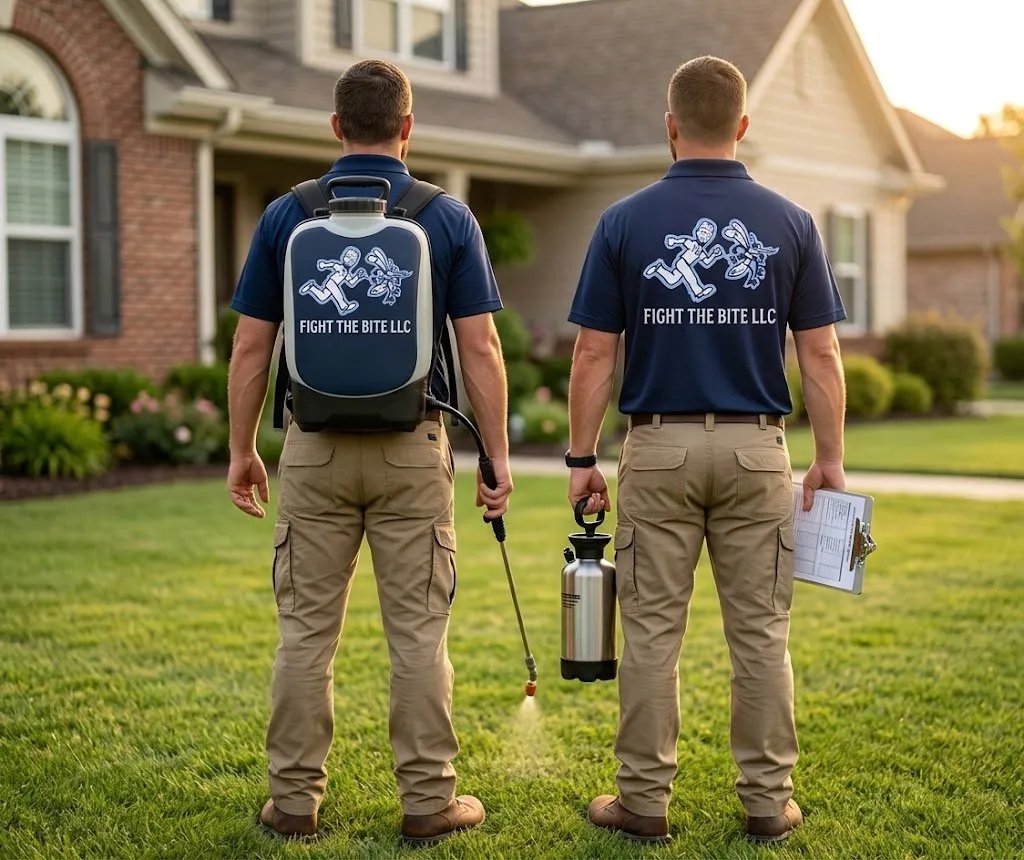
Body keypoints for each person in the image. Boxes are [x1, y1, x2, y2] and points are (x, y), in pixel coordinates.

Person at [226, 60, 512, 845]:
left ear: (336, 128)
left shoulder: (288, 216)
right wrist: (495, 456)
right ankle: (428, 802)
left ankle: (293, 802)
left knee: (305, 635)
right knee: (417, 635)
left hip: (313, 450)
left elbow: (251, 348)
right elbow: (480, 349)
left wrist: (242, 449)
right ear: (408, 128)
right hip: (414, 449)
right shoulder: (446, 218)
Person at [565, 55, 847, 845]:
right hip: (759, 450)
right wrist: (829, 458)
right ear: (743, 125)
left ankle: (643, 802)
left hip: (658, 449)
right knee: (760, 633)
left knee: (652, 632)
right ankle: (767, 802)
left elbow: (593, 353)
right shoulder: (792, 222)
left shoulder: (623, 221)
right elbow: (821, 353)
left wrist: (581, 459)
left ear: (671, 126)